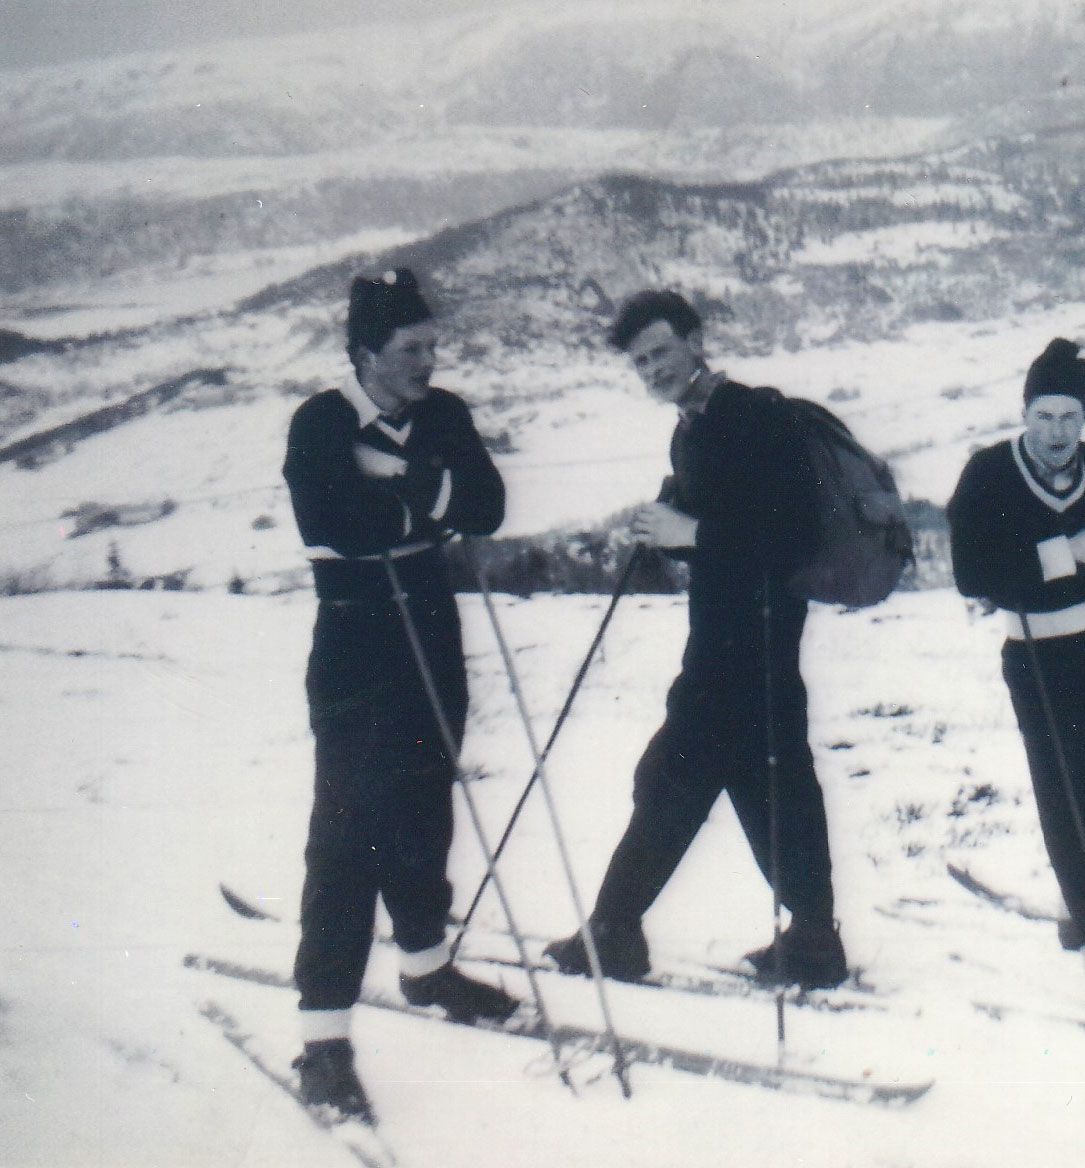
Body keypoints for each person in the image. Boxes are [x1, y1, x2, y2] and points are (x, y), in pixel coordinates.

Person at [544, 290, 849, 990]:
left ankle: (614, 933)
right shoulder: (692, 428)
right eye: (639, 361)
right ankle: (811, 940)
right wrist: (678, 533)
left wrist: (695, 534)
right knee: (769, 784)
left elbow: (796, 534)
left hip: (751, 646)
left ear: (695, 339)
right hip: (734, 642)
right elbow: (730, 535)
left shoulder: (754, 416)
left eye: (659, 351)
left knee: (673, 779)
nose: (650, 368)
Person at [281, 268, 518, 1122]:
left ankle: (425, 966)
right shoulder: (319, 422)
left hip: (430, 625)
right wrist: (428, 500)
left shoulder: (443, 413)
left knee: (425, 806)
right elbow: (337, 526)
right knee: (348, 831)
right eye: (410, 349)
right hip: (356, 640)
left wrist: (401, 484)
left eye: (431, 345)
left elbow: (486, 507)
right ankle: (324, 1039)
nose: (428, 361)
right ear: (363, 354)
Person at [946, 338, 1085, 1029]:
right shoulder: (987, 474)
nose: (1057, 431)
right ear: (1025, 413)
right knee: (1066, 801)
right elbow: (973, 573)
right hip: (1039, 657)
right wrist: (1063, 555)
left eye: (1069, 416)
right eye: (1045, 416)